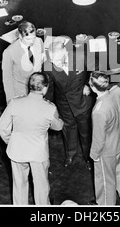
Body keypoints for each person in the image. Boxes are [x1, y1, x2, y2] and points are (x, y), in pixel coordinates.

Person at [0, 72, 63, 205]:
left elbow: (2, 126)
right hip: (38, 154)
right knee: (41, 186)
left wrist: (11, 141)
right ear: (45, 88)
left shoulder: (15, 102)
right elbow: (58, 127)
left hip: (17, 151)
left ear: (30, 86)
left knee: (19, 185)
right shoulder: (49, 108)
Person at [44, 40, 94, 170]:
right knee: (69, 130)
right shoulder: (48, 66)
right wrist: (50, 108)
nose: (57, 64)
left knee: (86, 132)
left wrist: (89, 85)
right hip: (64, 104)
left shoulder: (81, 56)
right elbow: (49, 90)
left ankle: (89, 157)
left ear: (66, 52)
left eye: (60, 60)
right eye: (54, 61)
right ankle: (70, 154)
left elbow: (97, 71)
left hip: (82, 101)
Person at [88, 72, 120, 206]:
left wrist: (94, 155)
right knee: (119, 171)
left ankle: (105, 205)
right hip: (119, 141)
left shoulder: (99, 111)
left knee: (105, 181)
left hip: (106, 151)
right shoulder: (117, 91)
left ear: (93, 87)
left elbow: (99, 139)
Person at [2, 21, 44, 104]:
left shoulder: (39, 41)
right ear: (20, 36)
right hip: (21, 92)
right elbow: (7, 80)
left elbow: (42, 61)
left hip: (38, 90)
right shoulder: (9, 52)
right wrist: (11, 101)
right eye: (28, 39)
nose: (32, 41)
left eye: (33, 38)